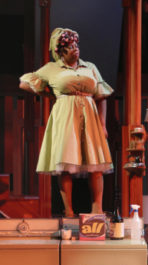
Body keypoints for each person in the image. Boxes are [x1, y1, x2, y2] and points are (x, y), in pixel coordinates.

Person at [19, 28, 113, 217]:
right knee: (66, 166)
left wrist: (103, 124)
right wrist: (48, 93)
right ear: (61, 51)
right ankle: (68, 211)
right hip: (65, 116)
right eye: (70, 47)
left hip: (90, 116)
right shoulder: (51, 68)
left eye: (76, 45)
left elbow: (102, 96)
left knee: (96, 165)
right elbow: (24, 83)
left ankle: (97, 209)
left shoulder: (90, 67)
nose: (75, 49)